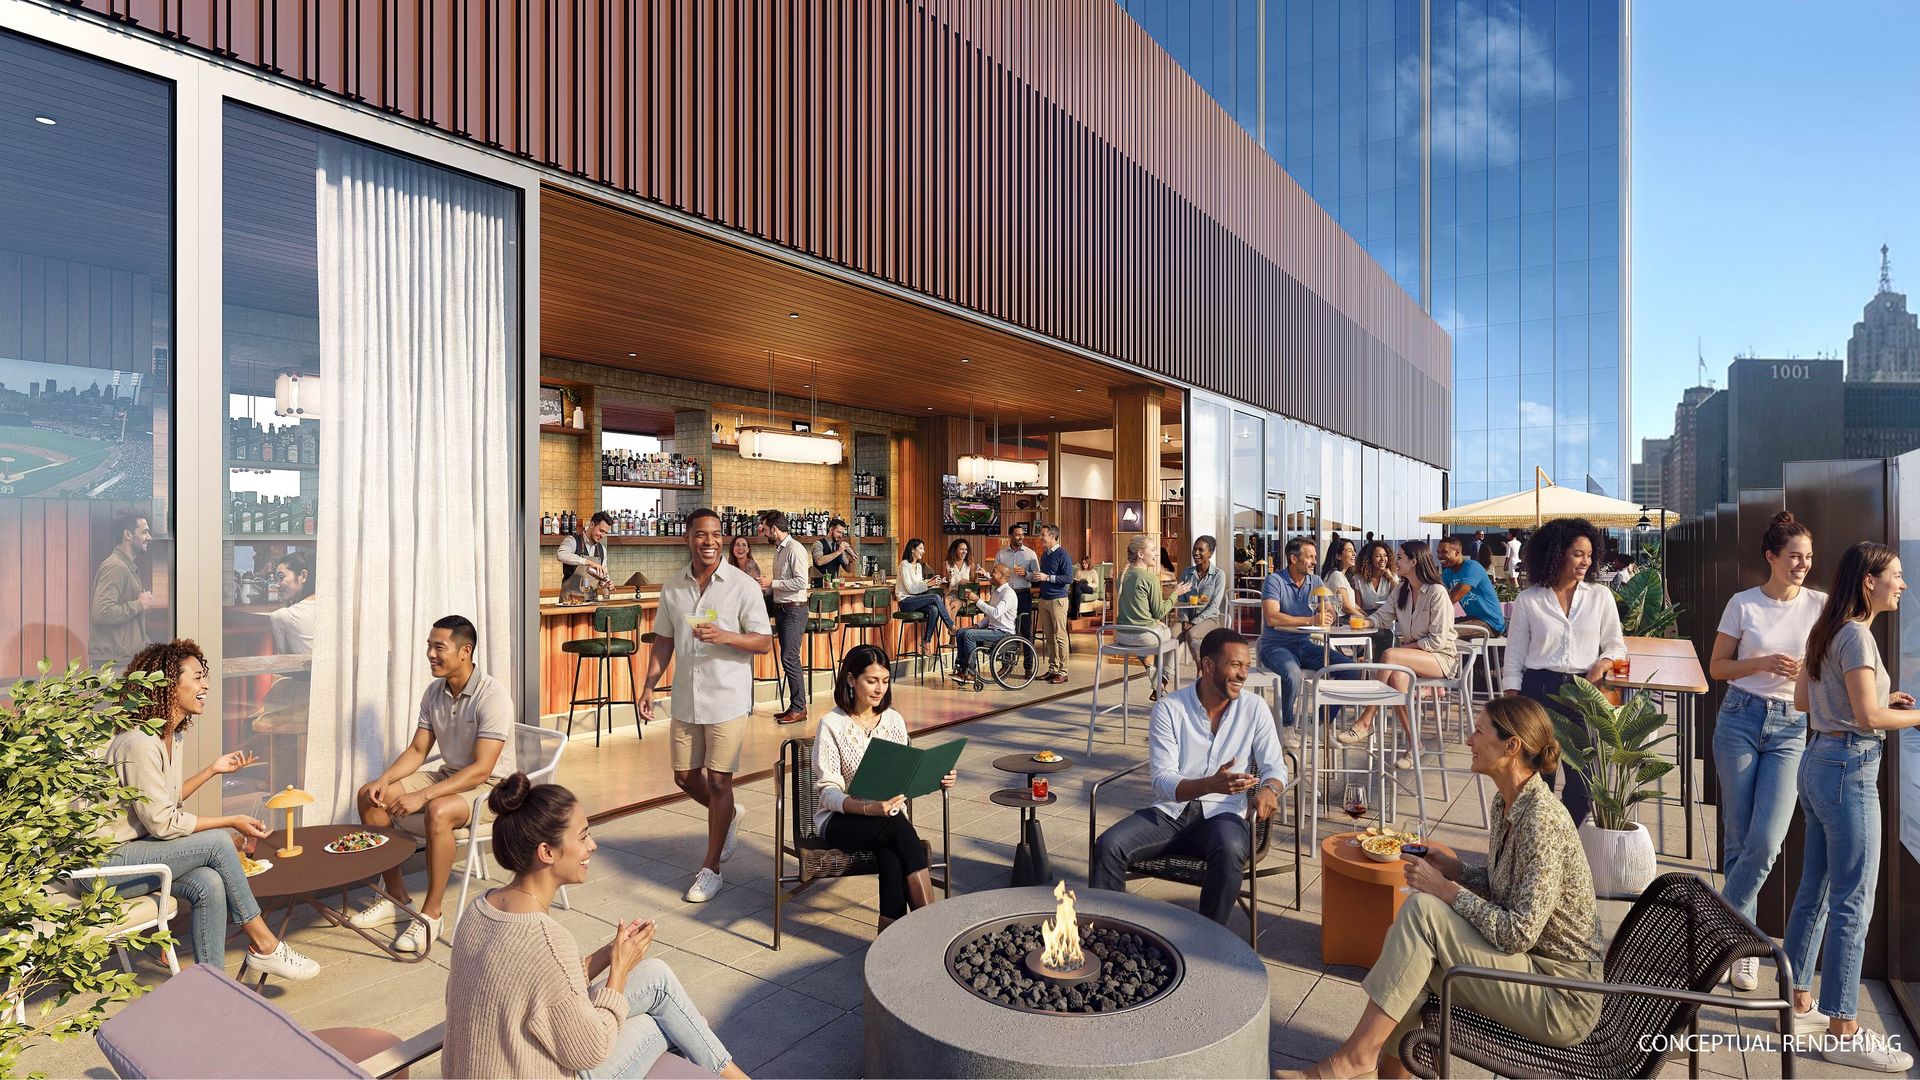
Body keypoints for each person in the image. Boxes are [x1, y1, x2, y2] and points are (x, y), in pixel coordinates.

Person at [1284, 696, 1601, 1079]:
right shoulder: (1510, 804)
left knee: (1423, 912)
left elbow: (1519, 931)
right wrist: (1456, 870)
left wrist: (1446, 889)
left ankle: (1353, 1062)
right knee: (1413, 963)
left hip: (1558, 996)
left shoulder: (1541, 820)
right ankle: (1373, 1069)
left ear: (1511, 746)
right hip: (1531, 972)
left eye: (1479, 732)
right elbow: (1509, 892)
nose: (1468, 740)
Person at [444, 775, 746, 1079]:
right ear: (547, 852)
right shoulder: (546, 940)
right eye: (583, 836)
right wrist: (619, 970)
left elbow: (537, 984)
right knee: (665, 1022)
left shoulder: (479, 908)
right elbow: (591, 1048)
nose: (593, 845)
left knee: (657, 976)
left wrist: (610, 954)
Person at [102, 639, 320, 980]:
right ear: (167, 684)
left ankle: (212, 983)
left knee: (208, 882)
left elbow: (165, 804)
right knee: (219, 841)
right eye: (198, 677)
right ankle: (264, 944)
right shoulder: (139, 743)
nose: (205, 685)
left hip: (138, 853)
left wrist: (212, 770)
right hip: (107, 865)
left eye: (206, 677)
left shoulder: (168, 737)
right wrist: (232, 820)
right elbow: (162, 824)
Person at [1780, 542, 1917, 1072]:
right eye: (1896, 576)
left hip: (1817, 763)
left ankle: (1796, 1001)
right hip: (1849, 770)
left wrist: (1887, 703)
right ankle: (1842, 1027)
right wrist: (1915, 716)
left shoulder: (1825, 629)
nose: (1902, 585)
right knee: (1853, 902)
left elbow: (1803, 702)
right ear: (1868, 582)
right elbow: (1867, 718)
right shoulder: (1857, 635)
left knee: (1815, 889)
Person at [1089, 628, 1286, 926]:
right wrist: (1209, 784)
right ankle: (1110, 935)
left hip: (1224, 816)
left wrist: (1270, 789)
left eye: (1246, 666)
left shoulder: (1254, 708)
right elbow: (1162, 782)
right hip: (1171, 816)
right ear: (1208, 665)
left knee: (1231, 848)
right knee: (1109, 846)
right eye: (1235, 665)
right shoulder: (1170, 708)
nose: (1243, 674)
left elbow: (1275, 766)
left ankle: (1207, 943)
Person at [349, 616, 515, 954]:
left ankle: (431, 914)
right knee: (369, 796)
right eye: (429, 646)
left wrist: (420, 795)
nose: (430, 654)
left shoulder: (492, 695)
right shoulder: (435, 692)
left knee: (437, 810)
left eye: (439, 647)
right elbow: (418, 750)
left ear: (465, 651)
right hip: (449, 776)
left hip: (493, 790)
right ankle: (397, 897)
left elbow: (483, 770)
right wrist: (385, 781)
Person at [1707, 511, 1821, 993]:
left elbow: (1832, 670)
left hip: (1792, 728)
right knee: (1738, 838)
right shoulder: (1743, 604)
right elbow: (1717, 667)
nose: (1803, 564)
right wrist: (1763, 663)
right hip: (1739, 718)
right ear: (1771, 557)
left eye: (1808, 557)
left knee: (1768, 840)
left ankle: (1721, 932)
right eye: (1794, 556)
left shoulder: (1821, 605)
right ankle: (1747, 948)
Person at [639, 509, 774, 903]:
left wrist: (726, 635)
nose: (709, 541)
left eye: (716, 534)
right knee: (684, 777)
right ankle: (728, 814)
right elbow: (663, 639)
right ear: (688, 539)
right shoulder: (673, 588)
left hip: (727, 696)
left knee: (719, 781)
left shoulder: (741, 585)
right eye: (701, 534)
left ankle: (711, 869)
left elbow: (763, 640)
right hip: (685, 695)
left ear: (723, 539)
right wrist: (649, 685)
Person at [813, 645, 956, 929]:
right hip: (842, 820)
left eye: (885, 680)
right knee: (898, 831)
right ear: (851, 679)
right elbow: (828, 793)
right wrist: (869, 808)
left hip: (887, 817)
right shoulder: (832, 723)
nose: (880, 689)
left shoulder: (893, 720)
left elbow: (904, 774)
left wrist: (938, 776)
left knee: (891, 854)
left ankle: (891, 939)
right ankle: (932, 927)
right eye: (871, 680)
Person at [1500, 517, 1625, 826]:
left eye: (1590, 554)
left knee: (1583, 783)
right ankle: (1537, 839)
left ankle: (1564, 839)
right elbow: (1514, 655)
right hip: (1538, 691)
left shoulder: (1600, 597)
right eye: (1578, 553)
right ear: (1556, 553)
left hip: (1582, 693)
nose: (1586, 561)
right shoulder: (1529, 600)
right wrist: (1512, 704)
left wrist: (1602, 663)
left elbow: (1616, 646)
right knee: (1539, 779)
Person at [1337, 541, 1460, 771]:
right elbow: (1382, 616)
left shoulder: (1437, 592)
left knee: (1391, 654)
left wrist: (1404, 649)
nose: (1396, 561)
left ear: (1414, 562)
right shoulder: (1401, 589)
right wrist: (1363, 623)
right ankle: (1416, 745)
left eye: (1401, 557)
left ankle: (1366, 719)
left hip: (1441, 658)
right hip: (1413, 657)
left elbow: (1437, 641)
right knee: (1396, 680)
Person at [1256, 536, 1332, 751]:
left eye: (1315, 557)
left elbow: (1328, 607)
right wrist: (1312, 620)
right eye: (1309, 557)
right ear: (1293, 558)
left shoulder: (1315, 581)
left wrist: (1329, 615)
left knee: (1348, 669)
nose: (1314, 561)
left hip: (1305, 645)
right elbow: (1272, 617)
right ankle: (1287, 725)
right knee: (1292, 674)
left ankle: (1319, 725)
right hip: (1275, 646)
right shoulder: (1274, 580)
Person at [756, 511, 811, 725]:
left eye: (765, 529)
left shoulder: (795, 549)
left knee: (790, 658)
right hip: (783, 608)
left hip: (794, 611)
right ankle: (794, 705)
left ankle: (799, 708)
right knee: (787, 658)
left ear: (775, 529)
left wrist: (773, 583)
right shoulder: (780, 550)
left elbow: (801, 583)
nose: (764, 533)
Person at [89, 509, 158, 668]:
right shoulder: (115, 567)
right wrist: (140, 605)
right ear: (128, 535)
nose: (149, 537)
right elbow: (101, 612)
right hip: (114, 666)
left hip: (125, 661)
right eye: (145, 532)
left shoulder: (127, 567)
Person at [1115, 534, 1177, 697]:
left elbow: (1135, 608)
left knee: (1148, 639)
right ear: (1141, 554)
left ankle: (1156, 681)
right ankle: (1164, 677)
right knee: (1173, 636)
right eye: (1153, 549)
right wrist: (1176, 593)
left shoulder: (1121, 576)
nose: (1156, 553)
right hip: (1144, 636)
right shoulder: (1150, 577)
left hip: (1122, 635)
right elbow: (1159, 612)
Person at [952, 561, 1019, 683]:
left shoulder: (1008, 594)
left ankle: (971, 673)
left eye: (993, 572)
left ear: (1002, 576)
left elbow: (995, 613)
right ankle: (962, 669)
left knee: (969, 635)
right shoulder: (996, 592)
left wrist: (977, 600)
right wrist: (976, 625)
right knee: (961, 632)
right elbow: (990, 617)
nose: (990, 574)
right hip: (992, 630)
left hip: (1003, 633)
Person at [1027, 523, 1076, 684]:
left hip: (1058, 600)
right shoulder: (1045, 555)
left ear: (1053, 536)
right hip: (1044, 599)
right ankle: (1053, 669)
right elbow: (1044, 575)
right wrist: (1037, 577)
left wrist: (1047, 578)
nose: (1040, 538)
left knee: (1060, 636)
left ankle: (1063, 671)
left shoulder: (1063, 555)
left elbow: (1069, 578)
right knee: (1049, 637)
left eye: (1043, 535)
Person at [1173, 535, 1230, 669]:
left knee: (1191, 634)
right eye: (1194, 549)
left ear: (1210, 553)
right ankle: (1164, 678)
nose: (1196, 553)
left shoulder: (1218, 575)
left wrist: (1194, 622)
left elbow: (1214, 605)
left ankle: (1203, 669)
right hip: (1188, 619)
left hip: (1210, 619)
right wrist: (1185, 619)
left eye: (1200, 550)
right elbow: (1181, 600)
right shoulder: (1186, 573)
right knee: (1171, 636)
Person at [993, 523, 1040, 672]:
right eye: (1018, 535)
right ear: (1010, 536)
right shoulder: (1001, 554)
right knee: (1007, 630)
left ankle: (1028, 667)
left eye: (1022, 535)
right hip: (1007, 596)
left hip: (1023, 595)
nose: (1021, 537)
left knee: (1025, 630)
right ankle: (1006, 665)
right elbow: (994, 574)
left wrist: (1026, 574)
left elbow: (1037, 576)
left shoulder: (1030, 554)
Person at [893, 538, 957, 648]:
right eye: (921, 548)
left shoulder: (918, 566)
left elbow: (919, 584)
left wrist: (931, 582)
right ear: (913, 549)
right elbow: (910, 589)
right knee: (935, 597)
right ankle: (951, 626)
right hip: (906, 602)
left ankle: (926, 642)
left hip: (916, 600)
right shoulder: (904, 565)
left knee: (934, 609)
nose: (923, 551)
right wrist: (928, 584)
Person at [1438, 536, 1506, 634]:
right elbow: (1439, 594)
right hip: (1472, 619)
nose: (1439, 556)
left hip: (1490, 623)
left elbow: (1452, 597)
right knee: (1433, 627)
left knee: (1445, 631)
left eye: (1444, 552)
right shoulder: (1448, 573)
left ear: (1457, 552)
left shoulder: (1472, 567)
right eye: (1438, 552)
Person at [268, 550, 318, 654]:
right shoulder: (333, 609)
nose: (277, 584)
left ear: (303, 576)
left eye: (281, 577)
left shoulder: (282, 616)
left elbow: (284, 662)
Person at [559, 512, 615, 602]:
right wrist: (588, 562)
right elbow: (561, 555)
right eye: (601, 531)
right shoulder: (572, 541)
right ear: (592, 524)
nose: (603, 535)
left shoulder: (602, 549)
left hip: (592, 602)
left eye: (605, 533)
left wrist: (605, 583)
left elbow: (603, 576)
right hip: (570, 601)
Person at [1351, 540, 1399, 617]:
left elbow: (1398, 599)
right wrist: (1370, 619)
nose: (1383, 559)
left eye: (1385, 555)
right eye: (1378, 556)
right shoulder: (1358, 579)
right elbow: (1358, 606)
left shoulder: (1392, 577)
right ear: (1369, 559)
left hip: (1387, 621)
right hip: (1366, 619)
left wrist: (1391, 579)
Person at [811, 517, 856, 586]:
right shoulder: (818, 544)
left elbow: (848, 570)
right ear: (831, 529)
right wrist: (838, 552)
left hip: (835, 586)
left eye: (842, 533)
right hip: (819, 588)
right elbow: (819, 561)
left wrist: (850, 562)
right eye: (838, 532)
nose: (841, 536)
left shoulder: (839, 547)